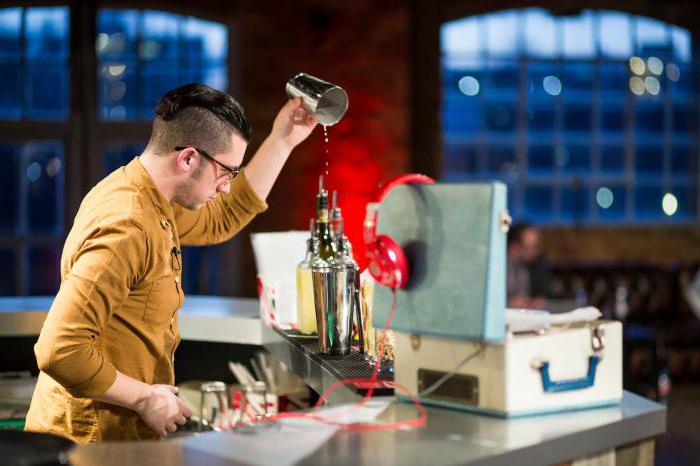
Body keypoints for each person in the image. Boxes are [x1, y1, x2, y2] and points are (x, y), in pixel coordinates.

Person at [24, 83, 317, 443]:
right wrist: (144, 396)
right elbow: (60, 350)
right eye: (226, 172)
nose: (226, 187)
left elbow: (224, 216)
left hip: (121, 438)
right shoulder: (127, 225)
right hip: (89, 444)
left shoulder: (153, 199)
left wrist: (283, 140)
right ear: (188, 158)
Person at [506, 223, 551, 309]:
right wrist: (509, 302)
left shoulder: (539, 263)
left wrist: (537, 301)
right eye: (529, 247)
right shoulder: (498, 267)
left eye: (536, 246)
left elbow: (544, 295)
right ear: (513, 247)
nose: (534, 252)